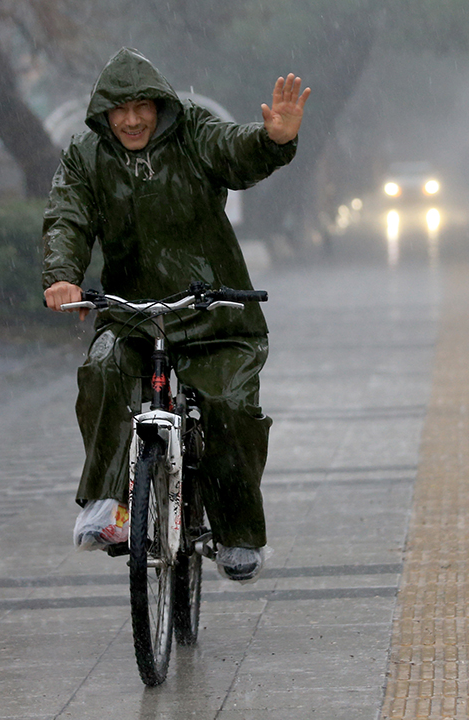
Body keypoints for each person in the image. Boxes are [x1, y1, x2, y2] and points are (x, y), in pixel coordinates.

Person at [42, 47, 310, 582]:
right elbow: (67, 217)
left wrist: (272, 140)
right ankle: (107, 503)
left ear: (161, 106)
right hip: (133, 315)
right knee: (102, 369)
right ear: (103, 113)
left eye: (143, 106)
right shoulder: (86, 155)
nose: (133, 119)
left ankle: (237, 534)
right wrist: (62, 275)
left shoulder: (193, 131)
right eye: (120, 109)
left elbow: (235, 150)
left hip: (214, 311)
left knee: (228, 404)